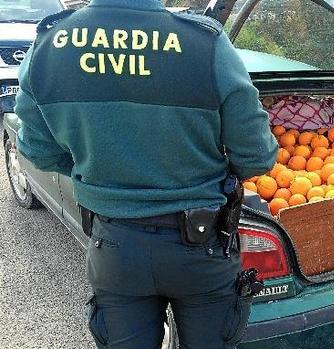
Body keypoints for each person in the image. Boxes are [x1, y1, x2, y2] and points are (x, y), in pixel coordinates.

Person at [14, 0, 278, 348]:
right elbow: (257, 156)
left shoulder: (50, 45)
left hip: (114, 246)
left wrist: (96, 167)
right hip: (201, 249)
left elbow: (37, 150)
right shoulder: (204, 43)